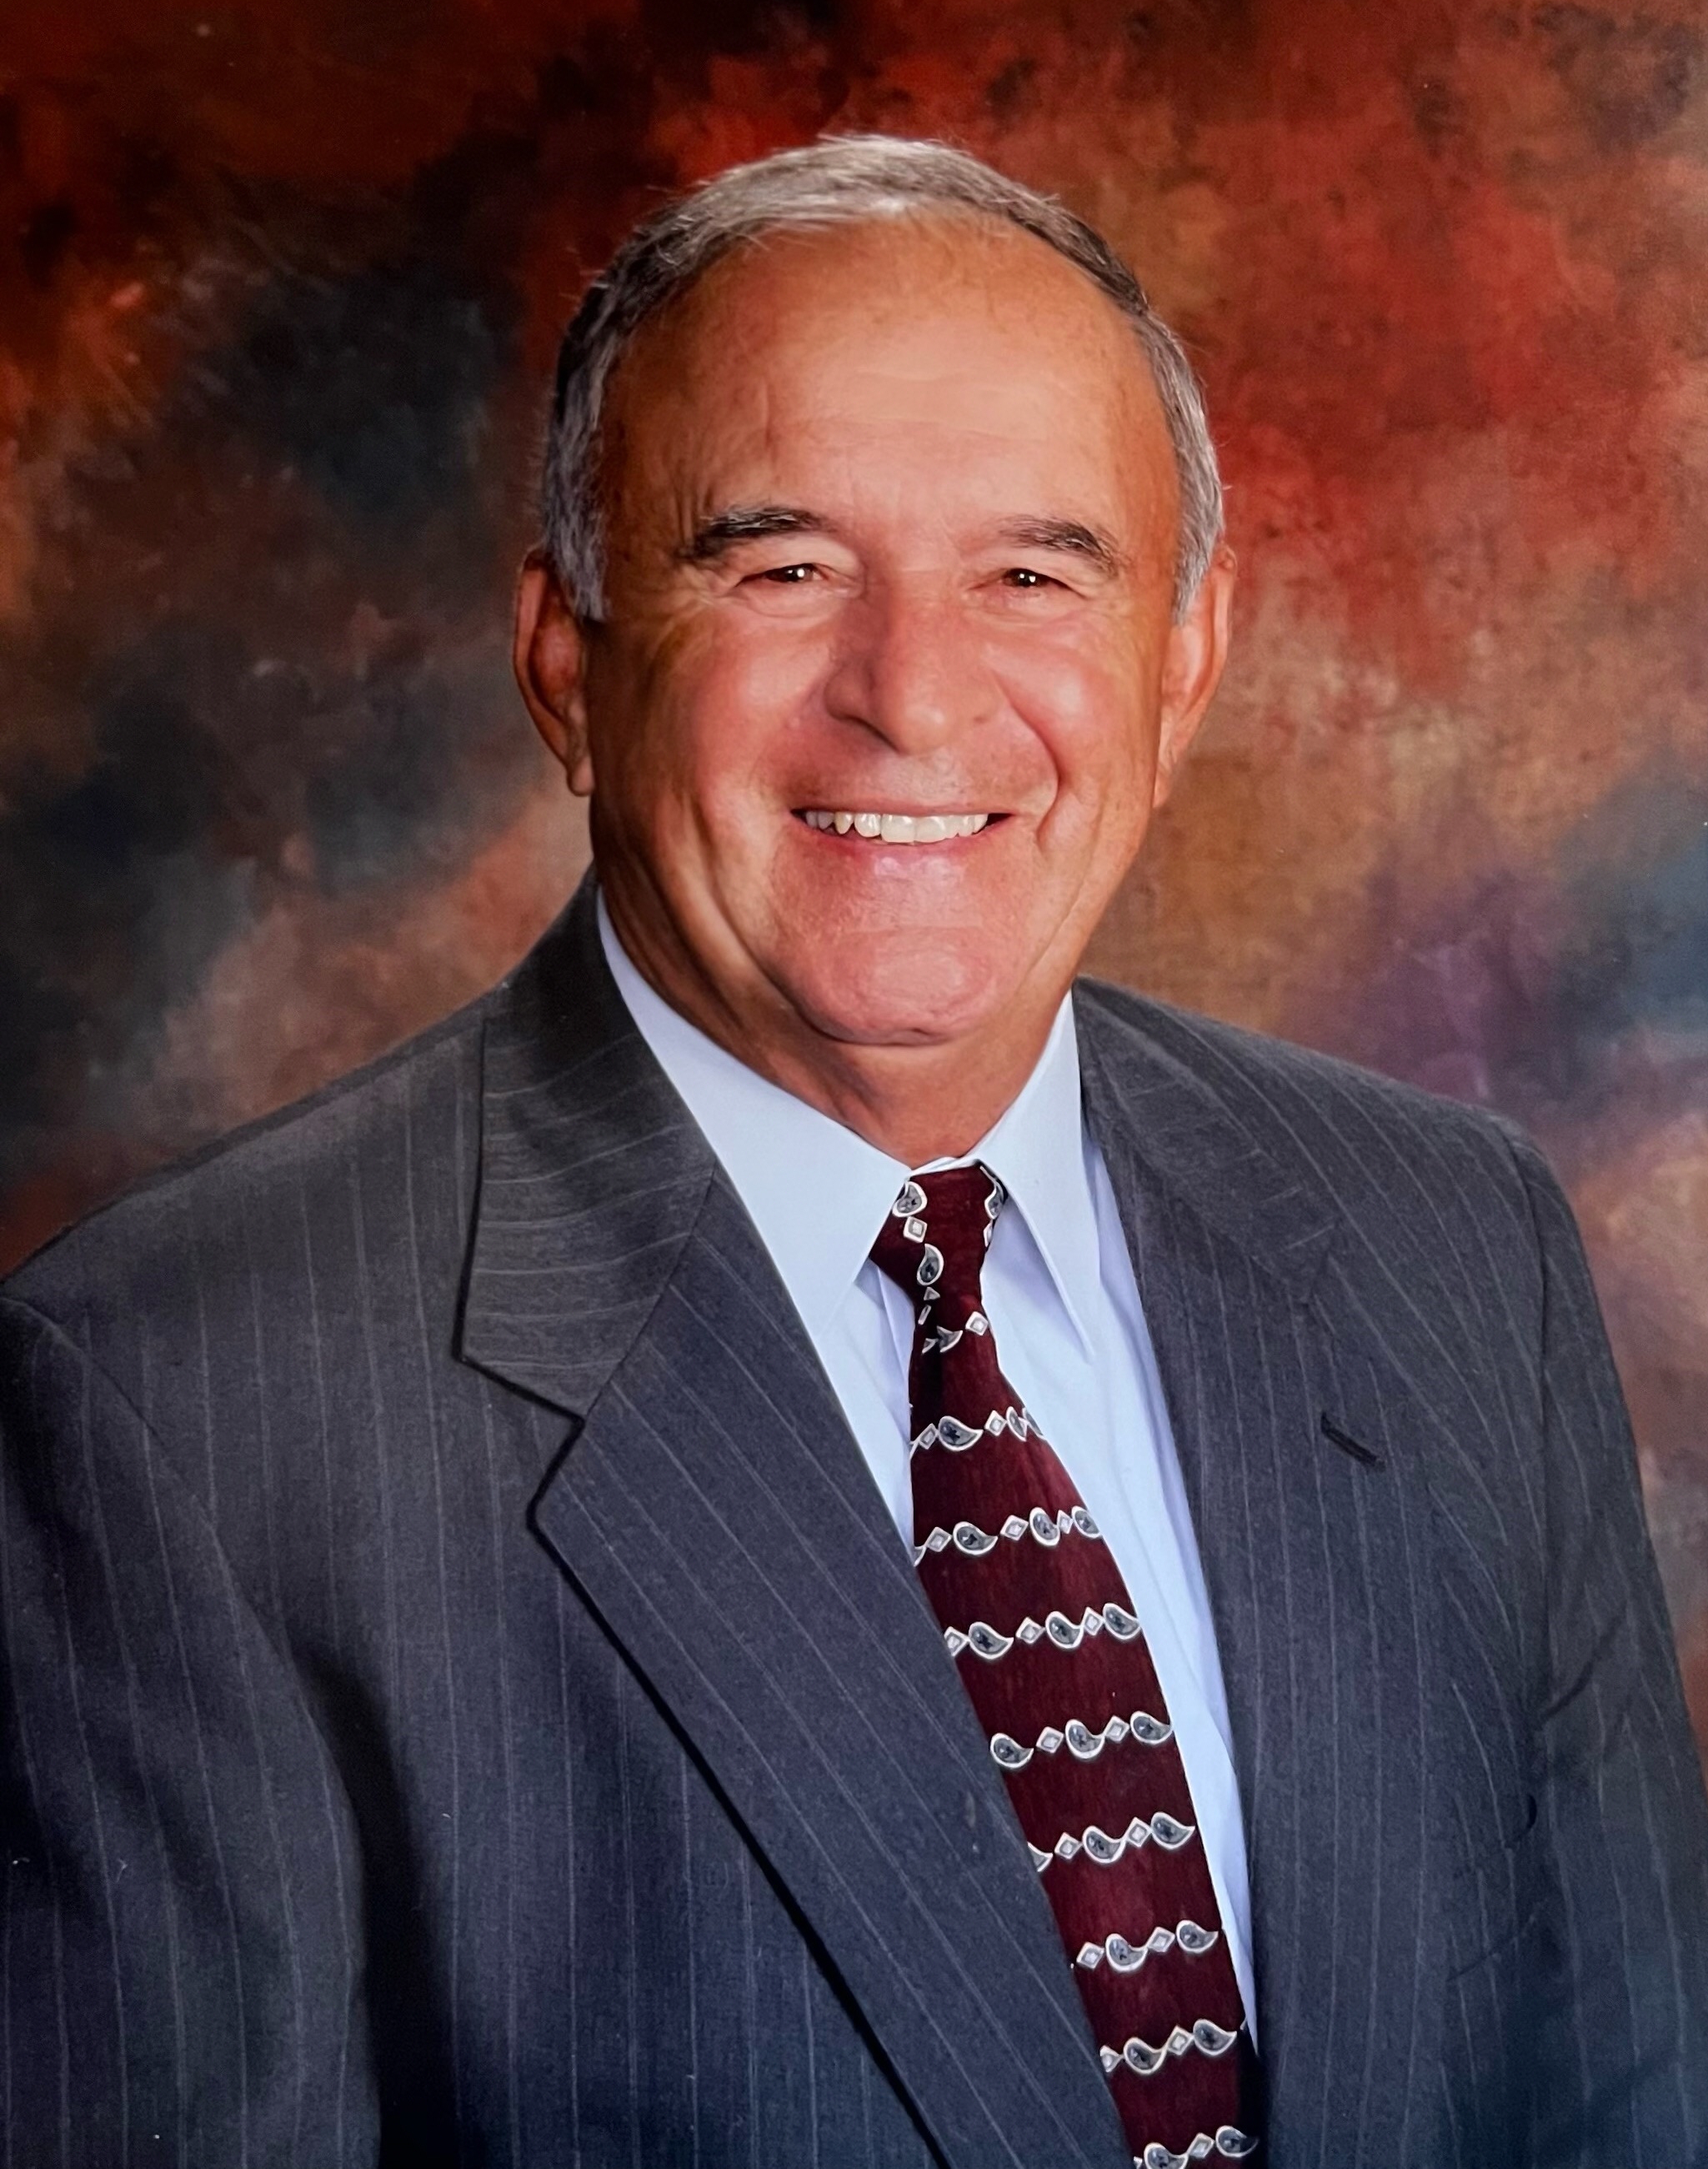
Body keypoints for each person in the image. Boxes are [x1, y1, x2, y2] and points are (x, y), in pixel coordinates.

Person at [3, 134, 1705, 2169]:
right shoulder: (178, 1409)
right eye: (781, 565)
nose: (909, 695)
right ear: (566, 659)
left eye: (1032, 572)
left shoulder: (1453, 1239)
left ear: (1180, 663)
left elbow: (1632, 2102)